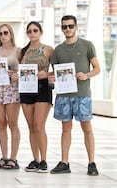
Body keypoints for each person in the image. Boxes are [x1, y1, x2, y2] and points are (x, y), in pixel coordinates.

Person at [49, 15, 100, 176]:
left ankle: (92, 163)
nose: (68, 29)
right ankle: (64, 162)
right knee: (66, 128)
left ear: (76, 27)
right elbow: (55, 73)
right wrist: (52, 77)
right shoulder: (58, 50)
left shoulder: (87, 45)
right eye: (64, 27)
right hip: (64, 95)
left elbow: (97, 68)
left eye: (70, 26)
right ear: (61, 29)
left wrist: (87, 75)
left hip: (82, 94)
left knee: (87, 128)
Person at [19, 21, 54, 173]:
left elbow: (56, 70)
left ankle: (44, 160)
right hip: (26, 90)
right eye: (29, 31)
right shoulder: (23, 51)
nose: (32, 33)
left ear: (41, 32)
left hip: (42, 89)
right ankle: (35, 159)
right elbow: (21, 70)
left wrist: (46, 74)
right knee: (31, 127)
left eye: (35, 30)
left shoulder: (48, 50)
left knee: (39, 125)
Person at [0, 23, 21, 170]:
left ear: (11, 34)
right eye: (0, 33)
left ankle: (14, 158)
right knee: (1, 123)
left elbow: (23, 71)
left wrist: (16, 75)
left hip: (12, 90)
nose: (3, 36)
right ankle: (4, 156)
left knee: (13, 124)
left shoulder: (18, 51)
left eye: (6, 33)